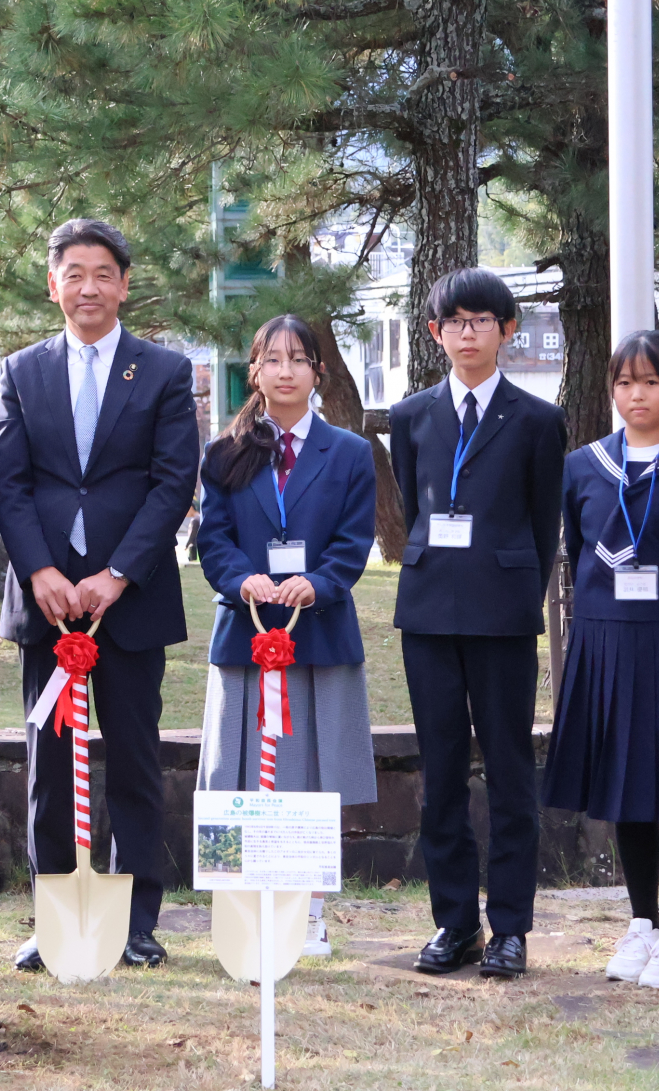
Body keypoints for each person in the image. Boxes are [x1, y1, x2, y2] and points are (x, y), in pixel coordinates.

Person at [0, 217, 199, 973]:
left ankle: (137, 923)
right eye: (73, 273)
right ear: (54, 285)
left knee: (136, 761)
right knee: (48, 763)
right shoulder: (21, 371)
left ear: (124, 284)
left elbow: (174, 480)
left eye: (103, 272)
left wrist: (117, 573)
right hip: (47, 603)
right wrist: (41, 570)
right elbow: (9, 483)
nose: (88, 287)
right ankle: (56, 920)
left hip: (131, 599)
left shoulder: (165, 372)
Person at [389, 268, 566, 980]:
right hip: (430, 611)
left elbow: (542, 519)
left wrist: (517, 593)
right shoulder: (410, 417)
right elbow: (413, 507)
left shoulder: (537, 420)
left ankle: (512, 928)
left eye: (481, 320)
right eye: (454, 322)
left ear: (507, 330)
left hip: (502, 615)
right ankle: (454, 922)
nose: (468, 332)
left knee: (510, 770)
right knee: (440, 774)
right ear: (435, 334)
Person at [542, 330, 659, 990]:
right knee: (627, 790)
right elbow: (574, 548)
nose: (635, 395)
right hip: (606, 641)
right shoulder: (583, 466)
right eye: (624, 383)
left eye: (649, 382)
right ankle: (642, 922)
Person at [194, 313, 379, 957]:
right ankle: (242, 908)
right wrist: (242, 579)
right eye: (272, 359)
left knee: (311, 773)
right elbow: (210, 541)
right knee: (238, 769)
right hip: (244, 633)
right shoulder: (223, 452)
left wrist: (321, 582)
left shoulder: (351, 453)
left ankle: (311, 911)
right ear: (255, 371)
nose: (285, 370)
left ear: (317, 371)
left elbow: (356, 541)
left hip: (318, 634)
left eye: (298, 358)